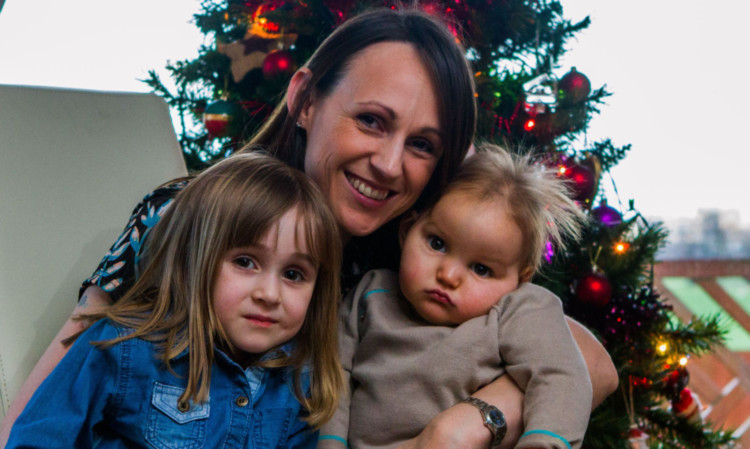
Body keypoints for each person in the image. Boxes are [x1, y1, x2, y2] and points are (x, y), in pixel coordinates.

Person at [0, 7, 617, 449]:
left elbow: (591, 361)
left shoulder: (408, 254)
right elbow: (54, 391)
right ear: (306, 100)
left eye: (423, 145)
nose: (389, 163)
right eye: (373, 121)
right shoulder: (196, 215)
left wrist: (466, 425)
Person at [6, 153, 344, 448]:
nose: (269, 294)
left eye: (294, 274)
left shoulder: (299, 385)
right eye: (244, 262)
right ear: (194, 259)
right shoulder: (120, 346)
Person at [319, 146, 592, 449]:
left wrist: (543, 442)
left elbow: (561, 374)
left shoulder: (517, 309)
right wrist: (330, 442)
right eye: (437, 243)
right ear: (408, 230)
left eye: (481, 269)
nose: (448, 275)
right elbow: (334, 374)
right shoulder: (372, 293)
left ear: (520, 279)